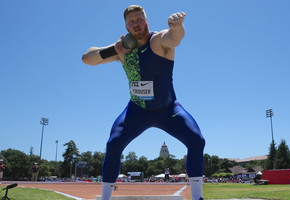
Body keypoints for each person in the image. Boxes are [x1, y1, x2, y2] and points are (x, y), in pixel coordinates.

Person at [82, 5, 205, 200]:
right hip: (137, 110)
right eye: (131, 22)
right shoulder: (122, 50)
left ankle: (198, 197)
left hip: (168, 110)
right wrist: (113, 49)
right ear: (126, 26)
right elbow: (87, 59)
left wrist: (176, 26)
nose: (136, 24)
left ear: (146, 21)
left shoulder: (157, 41)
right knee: (113, 143)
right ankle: (105, 197)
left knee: (196, 140)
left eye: (139, 19)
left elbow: (174, 38)